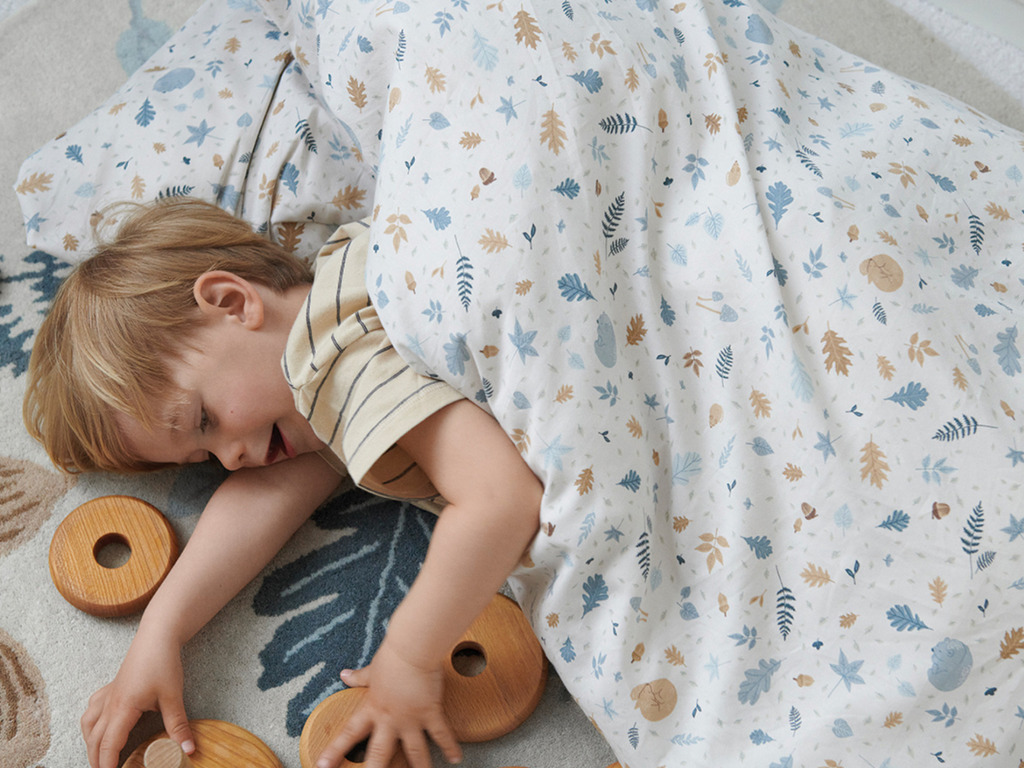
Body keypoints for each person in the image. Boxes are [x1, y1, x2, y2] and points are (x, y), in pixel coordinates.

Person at [22, 197, 543, 768]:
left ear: (231, 302)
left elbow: (502, 500)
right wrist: (161, 630)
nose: (232, 459)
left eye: (205, 420)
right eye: (204, 457)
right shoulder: (338, 295)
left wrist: (410, 657)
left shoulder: (343, 369)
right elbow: (270, 493)